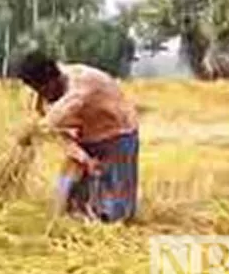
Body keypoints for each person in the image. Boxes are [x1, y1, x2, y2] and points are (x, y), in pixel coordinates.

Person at [15, 50, 140, 223]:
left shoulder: (82, 82)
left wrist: (36, 129)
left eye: (44, 89)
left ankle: (111, 222)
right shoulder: (41, 101)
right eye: (36, 90)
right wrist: (85, 159)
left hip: (118, 133)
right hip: (86, 136)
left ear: (54, 79)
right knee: (68, 195)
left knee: (116, 208)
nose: (43, 95)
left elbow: (67, 107)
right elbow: (62, 136)